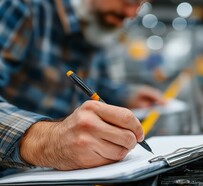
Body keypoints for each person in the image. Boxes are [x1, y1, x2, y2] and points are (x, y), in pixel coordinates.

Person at [0, 0, 165, 170]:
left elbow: (96, 86)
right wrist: (46, 141)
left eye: (140, 4)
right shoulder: (24, 6)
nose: (131, 14)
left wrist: (125, 96)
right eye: (129, 1)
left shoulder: (100, 23)